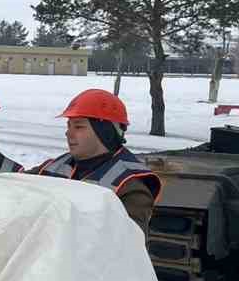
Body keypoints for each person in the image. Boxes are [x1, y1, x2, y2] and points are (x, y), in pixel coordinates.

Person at [32, 88, 162, 231]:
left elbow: (126, 246)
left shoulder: (130, 188)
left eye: (78, 126)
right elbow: (13, 186)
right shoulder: (53, 167)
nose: (68, 133)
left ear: (104, 132)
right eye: (68, 126)